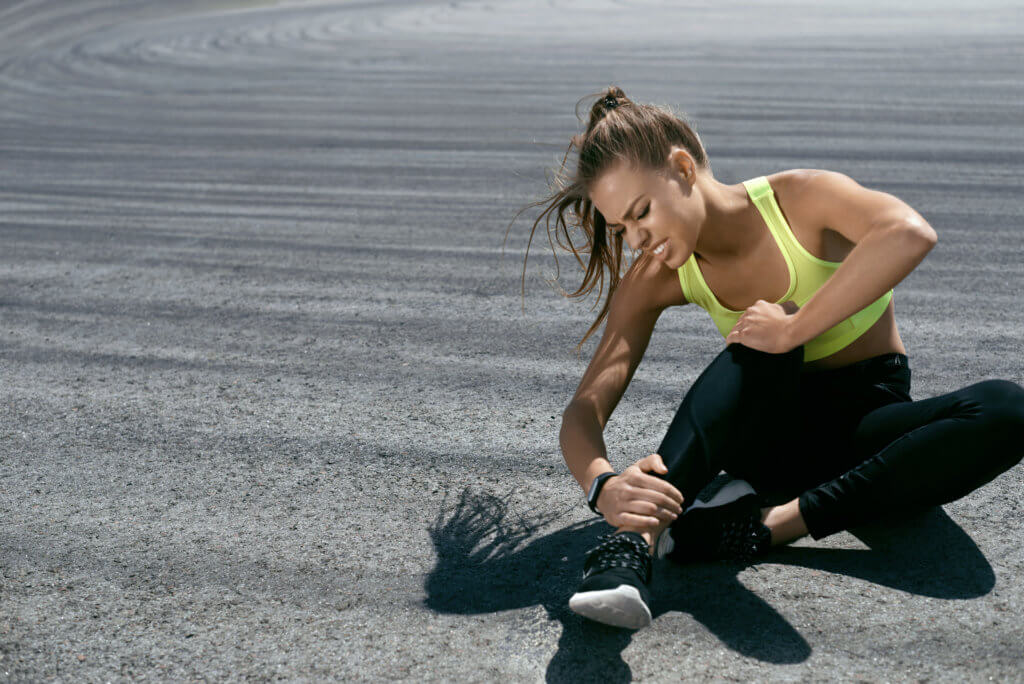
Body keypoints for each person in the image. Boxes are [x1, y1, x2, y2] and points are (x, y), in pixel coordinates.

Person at [513, 86, 1024, 630]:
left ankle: (762, 525)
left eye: (641, 213)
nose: (638, 239)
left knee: (1007, 409)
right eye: (622, 229)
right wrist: (603, 484)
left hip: (866, 431)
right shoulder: (656, 278)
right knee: (761, 342)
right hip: (768, 438)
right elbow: (583, 412)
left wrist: (795, 328)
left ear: (683, 167)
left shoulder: (801, 200)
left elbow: (908, 232)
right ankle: (632, 546)